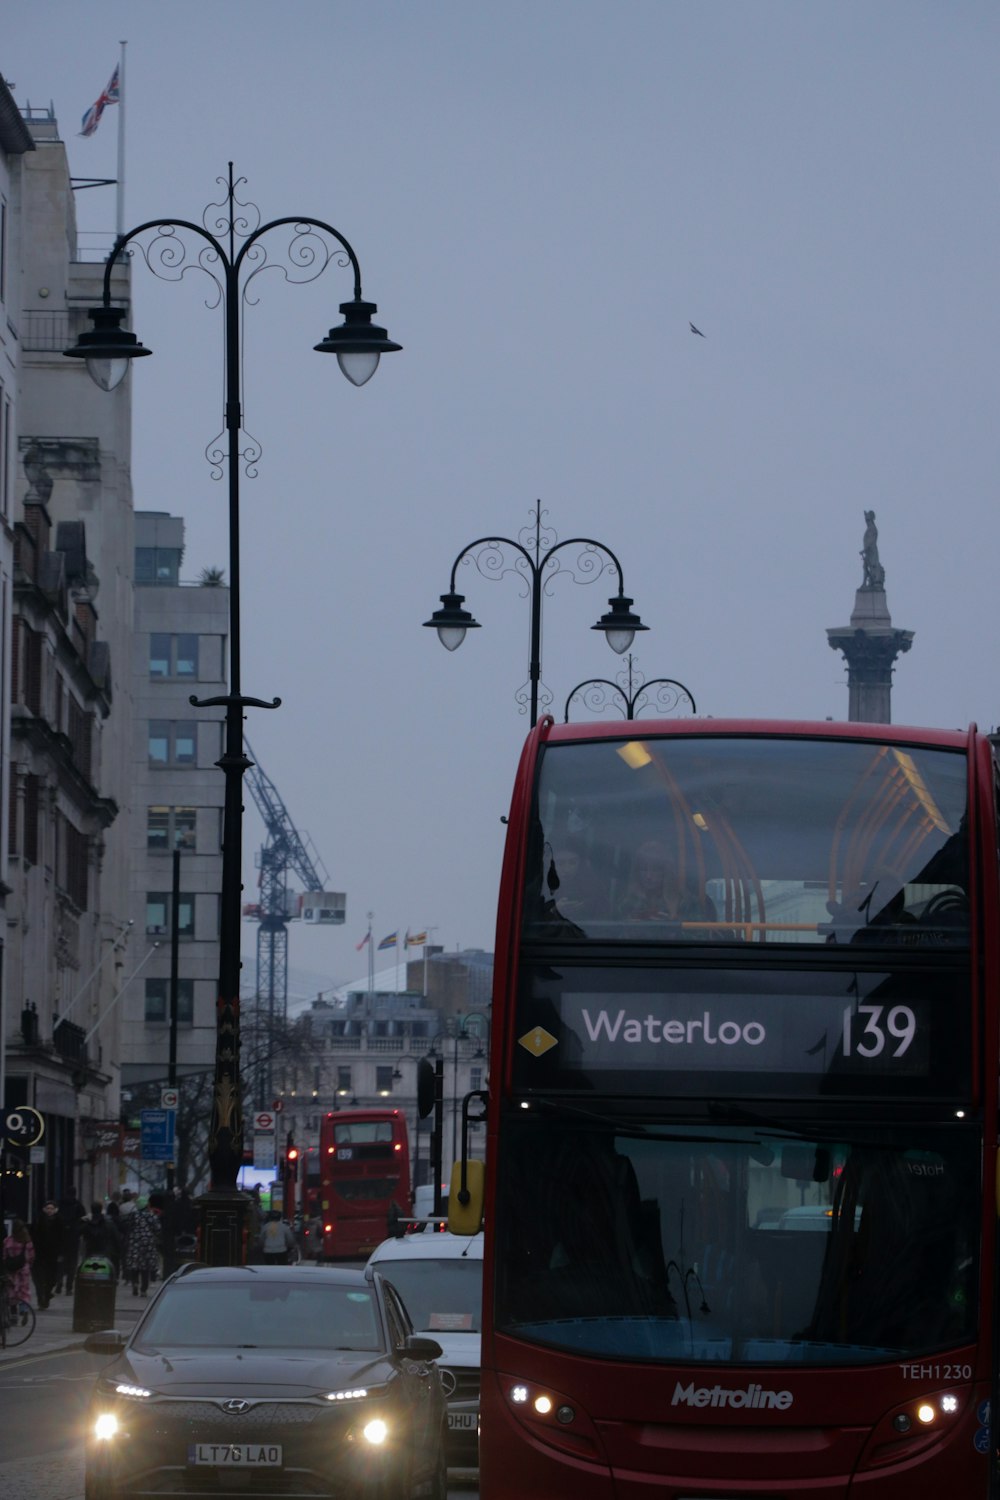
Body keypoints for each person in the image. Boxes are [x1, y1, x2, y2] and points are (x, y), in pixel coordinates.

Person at [618, 838, 717, 926]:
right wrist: (631, 928)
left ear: (667, 871)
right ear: (637, 872)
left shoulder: (687, 904)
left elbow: (701, 938)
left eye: (656, 869)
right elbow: (611, 934)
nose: (648, 876)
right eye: (643, 869)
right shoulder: (626, 902)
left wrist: (672, 927)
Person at [30, 1200, 65, 1309]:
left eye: (51, 1208)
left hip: (53, 1254)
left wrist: (61, 1253)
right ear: (44, 1209)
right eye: (48, 1208)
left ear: (55, 1210)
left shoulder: (60, 1221)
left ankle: (47, 1292)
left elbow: (63, 1239)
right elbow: (34, 1235)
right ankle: (42, 1299)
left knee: (52, 1277)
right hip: (40, 1254)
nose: (49, 1210)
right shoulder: (39, 1220)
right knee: (40, 1278)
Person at [124, 1196, 160, 1296]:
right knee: (145, 1267)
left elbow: (127, 1227)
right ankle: (143, 1289)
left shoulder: (133, 1215)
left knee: (135, 1265)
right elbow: (157, 1229)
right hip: (147, 1243)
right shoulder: (151, 1216)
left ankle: (135, 1283)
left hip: (135, 1242)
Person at [55, 1185, 86, 1294]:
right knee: (72, 1263)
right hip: (73, 1239)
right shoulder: (78, 1205)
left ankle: (59, 1284)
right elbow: (83, 1221)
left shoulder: (59, 1204)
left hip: (61, 1238)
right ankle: (69, 1287)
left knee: (60, 1262)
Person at [3, 1219, 35, 1319]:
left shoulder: (7, 1240)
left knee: (11, 1290)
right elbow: (31, 1256)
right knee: (24, 1289)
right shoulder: (27, 1241)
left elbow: (4, 1255)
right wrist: (29, 1264)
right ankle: (24, 1309)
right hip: (23, 1269)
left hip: (11, 1269)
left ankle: (13, 1313)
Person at [80, 1201, 122, 1279]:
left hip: (90, 1253)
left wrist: (81, 1221)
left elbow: (78, 1232)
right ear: (101, 1209)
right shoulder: (109, 1224)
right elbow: (117, 1239)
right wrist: (119, 1253)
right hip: (105, 1253)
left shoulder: (87, 1225)